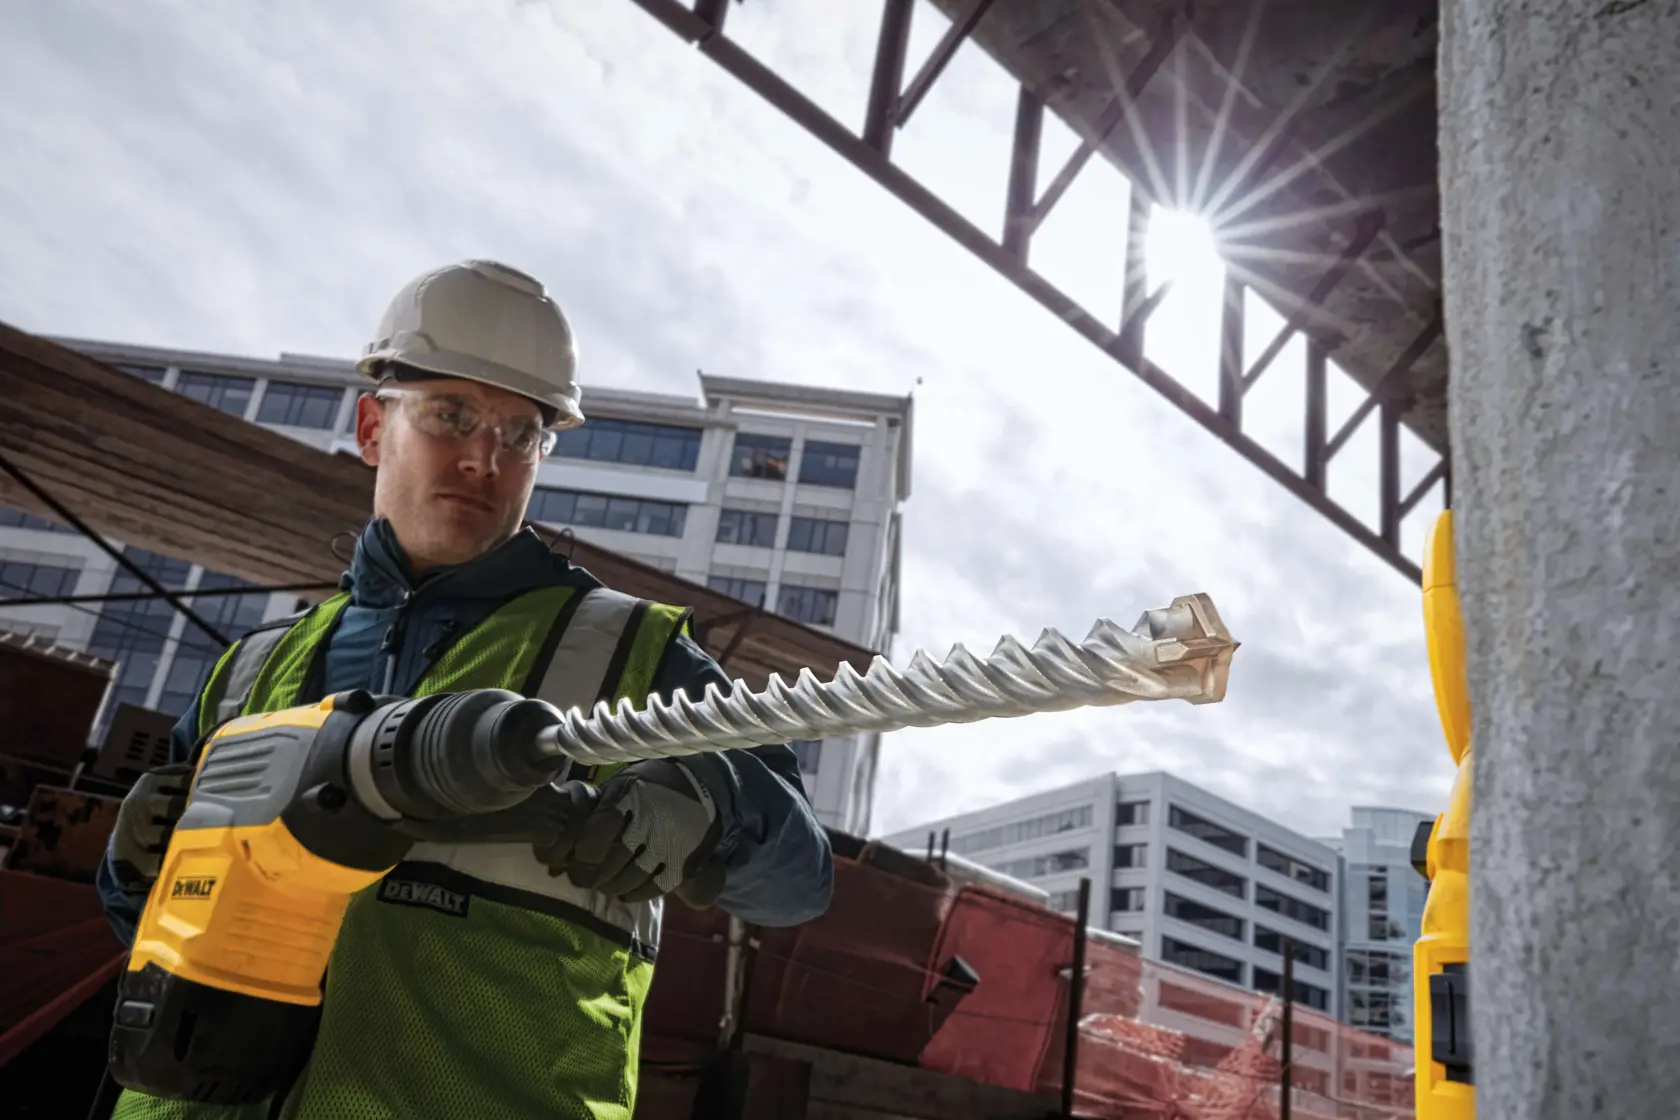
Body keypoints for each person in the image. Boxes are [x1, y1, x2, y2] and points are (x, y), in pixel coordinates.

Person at [94, 259, 835, 1119]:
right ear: (374, 426)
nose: (485, 457)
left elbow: (802, 879)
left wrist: (708, 808)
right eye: (452, 415)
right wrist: (132, 865)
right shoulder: (256, 668)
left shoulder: (628, 652)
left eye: (521, 433)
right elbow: (148, 929)